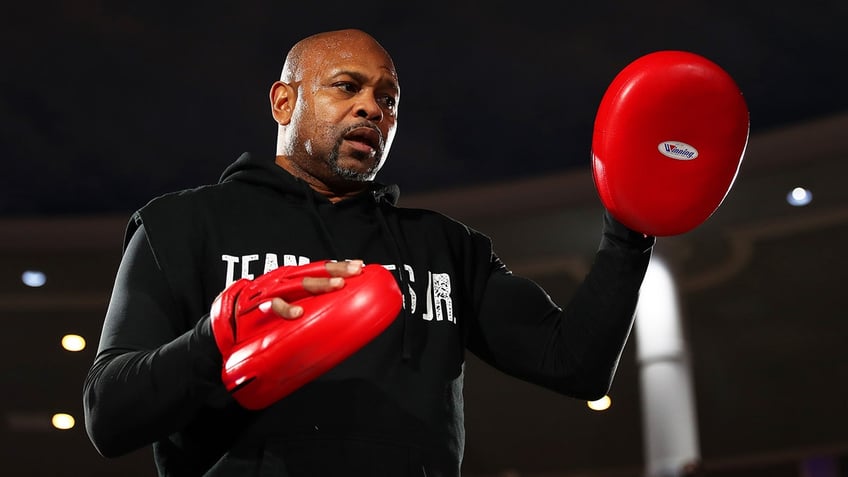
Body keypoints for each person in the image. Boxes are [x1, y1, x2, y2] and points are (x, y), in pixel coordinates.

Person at [83, 28, 655, 477]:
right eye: (346, 86)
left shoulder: (444, 246)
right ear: (284, 101)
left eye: (388, 98)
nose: (371, 109)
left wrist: (630, 228)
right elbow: (108, 416)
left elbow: (575, 366)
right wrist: (213, 341)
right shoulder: (182, 224)